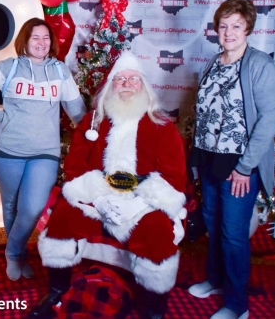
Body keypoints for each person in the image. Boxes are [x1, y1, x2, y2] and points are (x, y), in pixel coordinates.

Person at [29, 51, 188, 319]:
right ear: (110, 85)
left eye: (133, 79)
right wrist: (100, 199)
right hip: (98, 197)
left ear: (144, 86)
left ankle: (154, 310)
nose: (126, 84)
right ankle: (57, 290)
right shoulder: (92, 123)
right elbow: (75, 166)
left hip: (142, 204)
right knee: (63, 218)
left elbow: (174, 177)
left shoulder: (162, 127)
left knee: (156, 234)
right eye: (120, 79)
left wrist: (137, 205)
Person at [0, 17, 86, 281]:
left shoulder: (60, 72)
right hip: (5, 151)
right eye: (35, 37)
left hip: (44, 152)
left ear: (51, 42)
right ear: (25, 40)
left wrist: (91, 133)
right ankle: (18, 257)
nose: (41, 42)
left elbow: (77, 111)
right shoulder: (10, 67)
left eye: (46, 37)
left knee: (31, 208)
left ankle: (12, 252)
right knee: (10, 205)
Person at [187, 0, 275, 319]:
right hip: (209, 159)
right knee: (213, 224)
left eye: (236, 26)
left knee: (232, 232)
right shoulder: (213, 62)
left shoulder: (259, 64)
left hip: (240, 164)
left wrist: (245, 167)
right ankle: (215, 280)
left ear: (248, 28)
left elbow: (269, 118)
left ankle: (237, 304)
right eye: (224, 26)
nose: (229, 32)